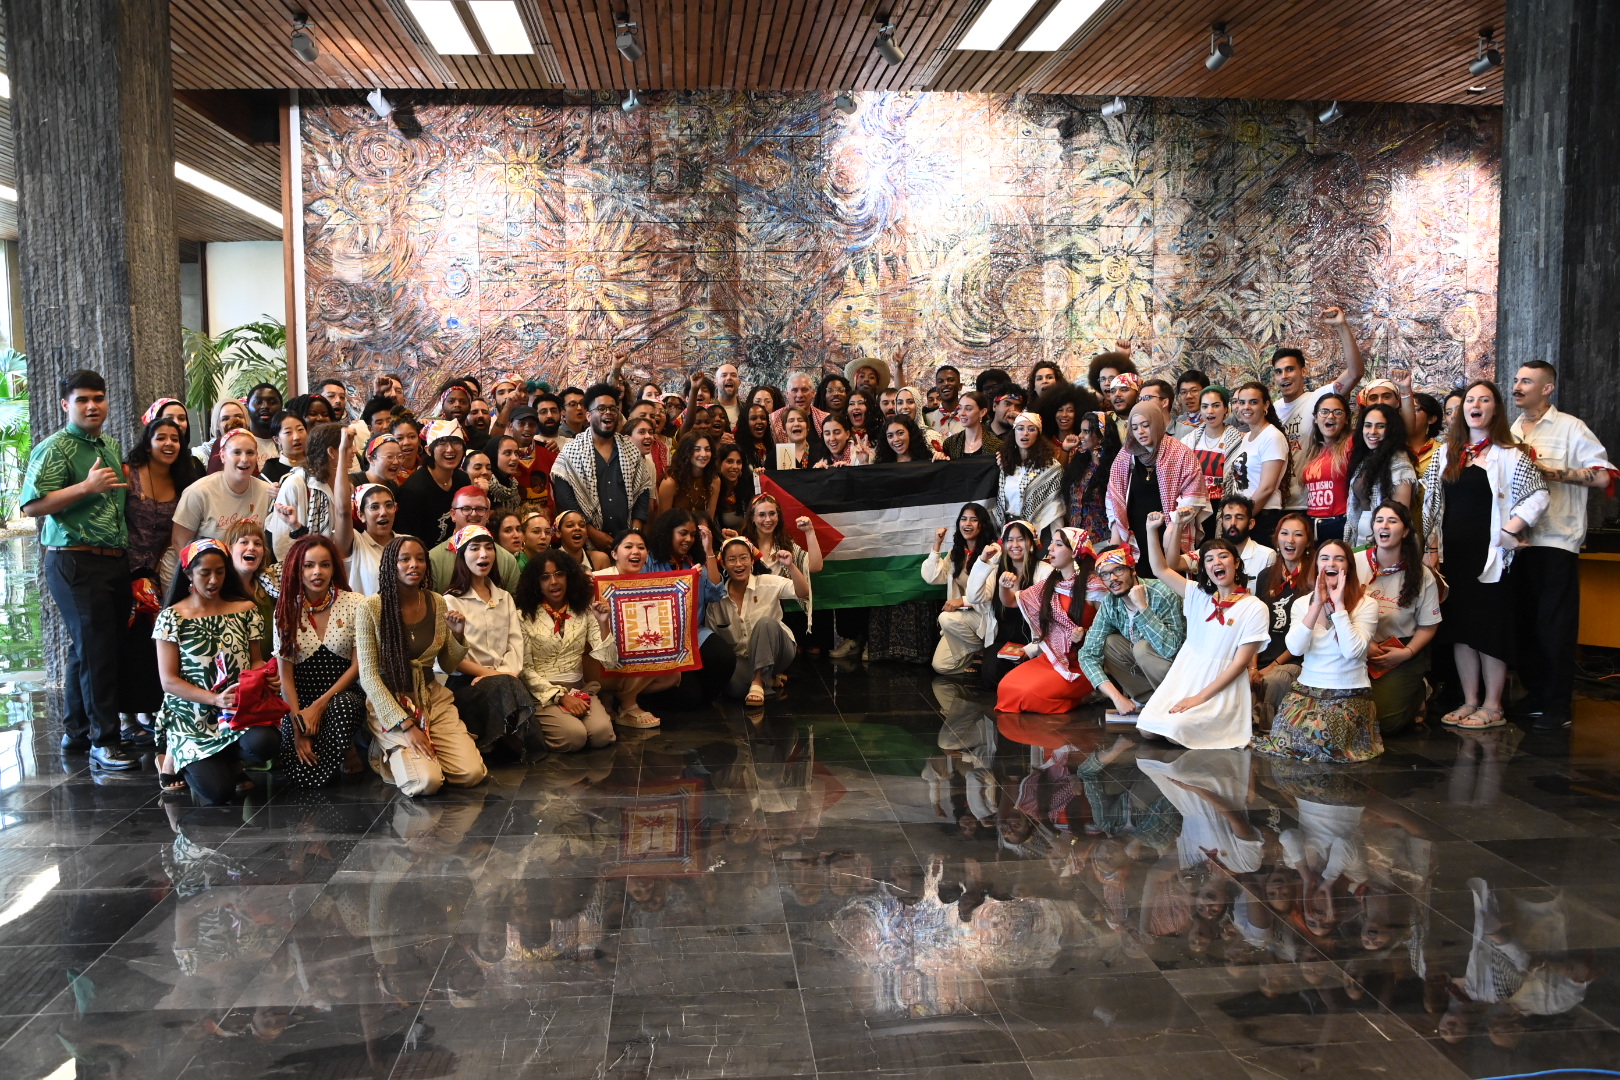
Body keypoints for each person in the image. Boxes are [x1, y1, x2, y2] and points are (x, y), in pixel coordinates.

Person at [21, 370, 138, 768]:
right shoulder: (53, 449)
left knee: (89, 648)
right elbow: (32, 506)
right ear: (64, 404)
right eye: (83, 399)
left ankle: (76, 730)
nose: (92, 406)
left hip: (112, 559)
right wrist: (85, 488)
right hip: (74, 558)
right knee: (96, 650)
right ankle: (104, 742)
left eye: (99, 398)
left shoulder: (108, 444)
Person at [1422, 381, 1547, 730]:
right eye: (1471, 400)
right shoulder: (1448, 452)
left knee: (1490, 630)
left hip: (1491, 556)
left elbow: (1538, 495)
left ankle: (1493, 705)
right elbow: (1431, 502)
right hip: (1455, 556)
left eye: (1485, 399)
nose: (1476, 405)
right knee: (1462, 629)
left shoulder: (1510, 454)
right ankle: (1470, 700)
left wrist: (1512, 529)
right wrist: (1431, 549)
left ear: (1496, 408)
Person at [1509, 360, 1615, 732]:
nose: (1518, 386)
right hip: (1518, 541)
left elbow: (1603, 476)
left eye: (1527, 381)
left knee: (1554, 624)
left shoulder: (1571, 428)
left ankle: (1558, 702)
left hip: (1556, 539)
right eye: (1517, 380)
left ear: (1547, 388)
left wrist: (1552, 474)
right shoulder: (1510, 430)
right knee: (1524, 623)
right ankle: (1536, 693)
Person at [355, 535, 489, 797]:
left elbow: (448, 665)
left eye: (419, 559)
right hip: (392, 702)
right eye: (404, 559)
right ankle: (386, 748)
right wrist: (406, 725)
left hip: (431, 697)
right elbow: (369, 677)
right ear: (391, 564)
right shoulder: (370, 608)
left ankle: (429, 753)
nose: (413, 565)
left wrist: (459, 635)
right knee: (427, 783)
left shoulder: (437, 602)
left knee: (471, 775)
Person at [152, 539, 277, 802]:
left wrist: (265, 675)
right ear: (188, 574)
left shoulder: (245, 609)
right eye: (205, 573)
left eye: (220, 571)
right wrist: (214, 699)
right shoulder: (172, 618)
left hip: (235, 711)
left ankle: (231, 760)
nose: (213, 580)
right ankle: (171, 753)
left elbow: (255, 660)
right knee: (219, 793)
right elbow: (169, 681)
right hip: (191, 717)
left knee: (266, 742)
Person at [1136, 512, 1269, 749]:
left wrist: (1199, 698)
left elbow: (1239, 665)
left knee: (1174, 730)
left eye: (1223, 556)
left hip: (1221, 686)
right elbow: (1160, 569)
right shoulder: (1199, 594)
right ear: (1204, 568)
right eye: (1208, 559)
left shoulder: (1254, 607)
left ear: (1236, 563)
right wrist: (1150, 529)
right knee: (1146, 727)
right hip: (1186, 676)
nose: (1216, 562)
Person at [1252, 538, 1381, 762]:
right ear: (1317, 565)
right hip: (1307, 690)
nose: (1331, 563)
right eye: (1325, 558)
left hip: (1348, 692)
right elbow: (1295, 647)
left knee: (1320, 738)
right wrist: (1317, 606)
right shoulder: (1303, 604)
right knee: (1287, 737)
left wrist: (1339, 606)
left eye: (1338, 559)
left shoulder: (1367, 604)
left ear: (1348, 566)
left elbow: (1353, 651)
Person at [122, 414, 200, 742]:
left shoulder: (184, 481)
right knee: (122, 643)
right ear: (148, 442)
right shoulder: (129, 473)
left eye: (175, 438)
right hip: (121, 568)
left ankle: (147, 707)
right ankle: (124, 714)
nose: (169, 443)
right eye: (161, 437)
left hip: (156, 572)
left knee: (150, 641)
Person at [273, 535, 366, 788]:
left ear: (334, 568)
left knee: (341, 707)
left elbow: (358, 667)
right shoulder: (285, 609)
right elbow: (286, 678)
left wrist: (319, 706)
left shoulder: (355, 603)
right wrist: (298, 725)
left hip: (343, 694)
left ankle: (346, 750)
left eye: (325, 564)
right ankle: (338, 751)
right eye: (308, 565)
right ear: (296, 569)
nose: (317, 572)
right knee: (303, 775)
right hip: (299, 699)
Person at [440, 525, 535, 756]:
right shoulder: (450, 602)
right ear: (462, 556)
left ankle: (501, 743)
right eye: (475, 548)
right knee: (506, 686)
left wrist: (504, 674)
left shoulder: (504, 598)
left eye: (489, 548)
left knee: (507, 685)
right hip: (467, 682)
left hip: (506, 677)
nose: (484, 554)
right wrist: (493, 675)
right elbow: (452, 659)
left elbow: (515, 645)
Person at [513, 549, 618, 752]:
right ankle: (532, 726)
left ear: (569, 577)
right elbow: (524, 669)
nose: (554, 581)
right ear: (536, 583)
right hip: (542, 694)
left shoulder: (584, 611)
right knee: (574, 738)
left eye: (559, 574)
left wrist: (604, 624)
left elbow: (609, 660)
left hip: (578, 690)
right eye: (545, 577)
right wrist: (561, 697)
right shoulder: (522, 617)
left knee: (601, 735)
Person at [1270, 308, 1368, 518]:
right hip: (1277, 504)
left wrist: (1341, 326)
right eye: (1278, 372)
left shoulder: (1318, 399)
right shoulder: (1272, 409)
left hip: (1312, 503)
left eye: (1290, 369)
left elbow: (1355, 372)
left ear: (1303, 371)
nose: (1284, 376)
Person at [994, 527, 1097, 714]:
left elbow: (1113, 626)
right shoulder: (1050, 583)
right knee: (1006, 688)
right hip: (1052, 658)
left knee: (1028, 695)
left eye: (1058, 544)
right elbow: (1010, 600)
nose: (1050, 549)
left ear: (1074, 551)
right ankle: (1078, 699)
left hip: (1084, 663)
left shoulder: (1094, 587)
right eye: (1051, 543)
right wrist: (1002, 586)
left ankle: (1085, 696)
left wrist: (1087, 634)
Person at [1362, 502, 1443, 735]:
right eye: (1379, 520)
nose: (1384, 526)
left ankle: (1418, 691)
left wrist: (1406, 653)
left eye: (1392, 521)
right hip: (1358, 646)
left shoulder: (1420, 574)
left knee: (1384, 725)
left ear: (1405, 531)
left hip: (1400, 650)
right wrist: (1365, 643)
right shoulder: (1355, 562)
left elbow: (1429, 626)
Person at [590, 530, 682, 727]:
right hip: (596, 658)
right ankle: (628, 704)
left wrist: (691, 577)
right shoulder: (596, 580)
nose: (636, 552)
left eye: (641, 548)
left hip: (628, 656)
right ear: (614, 554)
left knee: (672, 674)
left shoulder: (647, 583)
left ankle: (614, 698)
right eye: (629, 546)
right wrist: (581, 584)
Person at [1078, 544, 1186, 715]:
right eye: (1105, 574)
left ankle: (1175, 701)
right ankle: (1150, 701)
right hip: (1150, 680)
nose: (1112, 578)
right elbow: (1087, 654)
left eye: (1118, 570)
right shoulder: (1110, 603)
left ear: (1132, 570)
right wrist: (1116, 697)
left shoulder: (1162, 593)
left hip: (1180, 674)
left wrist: (1143, 609)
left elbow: (1171, 649)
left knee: (1142, 648)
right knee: (1109, 643)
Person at [644, 508, 736, 706]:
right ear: (668, 532)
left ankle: (703, 699)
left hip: (692, 632)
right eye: (683, 533)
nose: (688, 539)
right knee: (689, 698)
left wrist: (709, 550)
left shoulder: (693, 563)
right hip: (659, 638)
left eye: (693, 535)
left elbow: (715, 594)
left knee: (724, 658)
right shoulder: (650, 559)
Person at [1105, 401, 1209, 574]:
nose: (1141, 432)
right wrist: (1117, 531)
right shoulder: (1126, 454)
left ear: (1157, 423)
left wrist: (1173, 526)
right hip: (1136, 531)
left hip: (1170, 528)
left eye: (1146, 425)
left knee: (1169, 576)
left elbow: (1193, 495)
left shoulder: (1179, 452)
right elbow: (1113, 495)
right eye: (1135, 427)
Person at [552, 383, 655, 552]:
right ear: (588, 415)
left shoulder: (632, 451)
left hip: (627, 544)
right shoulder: (572, 451)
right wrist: (591, 532)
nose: (608, 412)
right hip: (587, 545)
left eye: (612, 408)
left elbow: (642, 493)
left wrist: (633, 534)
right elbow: (566, 499)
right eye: (601, 408)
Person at [711, 535, 809, 704]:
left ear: (752, 560)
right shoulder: (717, 600)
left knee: (765, 623)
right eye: (732, 559)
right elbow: (715, 641)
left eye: (744, 558)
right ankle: (768, 679)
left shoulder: (768, 582)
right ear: (724, 564)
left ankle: (758, 680)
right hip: (744, 658)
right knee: (735, 689)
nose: (739, 564)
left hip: (779, 651)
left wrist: (790, 566)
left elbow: (803, 592)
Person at [1249, 513, 1311, 729]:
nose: (1290, 540)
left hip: (1294, 660)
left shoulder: (1313, 577)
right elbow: (1257, 624)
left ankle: (1268, 733)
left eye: (1298, 534)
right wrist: (1253, 666)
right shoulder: (1266, 575)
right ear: (1276, 539)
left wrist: (1272, 666)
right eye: (1284, 533)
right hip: (1263, 655)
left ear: (1308, 541)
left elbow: (1306, 635)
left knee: (1274, 680)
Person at [171, 428, 275, 549]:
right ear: (222, 456)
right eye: (237, 452)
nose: (244, 459)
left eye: (250, 453)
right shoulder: (198, 492)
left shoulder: (267, 492)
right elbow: (180, 543)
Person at [922, 503, 994, 675]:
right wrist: (937, 545)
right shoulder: (957, 553)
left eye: (974, 520)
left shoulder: (992, 551)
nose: (967, 524)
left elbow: (989, 593)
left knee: (946, 618)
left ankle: (983, 650)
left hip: (984, 614)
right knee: (942, 666)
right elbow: (932, 577)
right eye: (964, 519)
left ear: (982, 524)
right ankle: (976, 653)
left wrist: (961, 601)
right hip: (963, 617)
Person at [268, 422, 348, 561]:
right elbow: (282, 543)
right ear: (331, 452)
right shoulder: (296, 484)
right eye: (347, 446)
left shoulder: (347, 484)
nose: (354, 450)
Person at [1344, 404, 1417, 550]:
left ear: (1391, 430)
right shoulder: (1364, 460)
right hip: (1358, 537)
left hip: (1386, 541)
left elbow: (1399, 517)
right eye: (1368, 425)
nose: (1372, 431)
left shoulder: (1400, 464)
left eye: (1380, 426)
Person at [1227, 382, 1289, 541]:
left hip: (1263, 517)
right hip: (1245, 516)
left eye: (1253, 402)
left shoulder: (1272, 437)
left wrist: (1244, 517)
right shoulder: (1246, 437)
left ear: (1266, 405)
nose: (1246, 407)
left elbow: (1267, 488)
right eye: (1242, 402)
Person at [428, 486, 520, 590]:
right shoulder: (433, 559)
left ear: (488, 515)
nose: (474, 514)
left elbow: (515, 603)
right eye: (466, 509)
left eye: (480, 509)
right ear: (453, 515)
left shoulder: (507, 560)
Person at [395, 419, 470, 545]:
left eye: (456, 443)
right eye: (442, 444)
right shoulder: (413, 490)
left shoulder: (463, 479)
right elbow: (407, 540)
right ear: (429, 450)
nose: (450, 449)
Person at [994, 411, 1064, 539]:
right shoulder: (1005, 463)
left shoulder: (1051, 467)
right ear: (1014, 432)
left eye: (1031, 429)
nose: (1025, 433)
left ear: (1038, 434)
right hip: (1009, 529)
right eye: (1020, 428)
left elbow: (1055, 508)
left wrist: (1056, 540)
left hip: (1039, 531)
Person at [1181, 386, 1242, 530]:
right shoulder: (1189, 440)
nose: (1210, 411)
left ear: (1226, 409)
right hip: (1195, 506)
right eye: (1205, 406)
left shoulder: (1237, 441)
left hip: (1224, 506)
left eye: (1216, 406)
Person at [1299, 393, 1353, 540]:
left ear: (1347, 419)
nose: (1330, 416)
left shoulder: (1351, 444)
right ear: (1316, 418)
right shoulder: (1313, 451)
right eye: (1324, 411)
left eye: (1338, 412)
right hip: (1312, 525)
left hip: (1339, 522)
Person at [1063, 410, 1116, 541]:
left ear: (1101, 436)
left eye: (1086, 431)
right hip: (1075, 541)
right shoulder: (1078, 462)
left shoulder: (1115, 468)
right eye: (1081, 431)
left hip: (1102, 543)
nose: (1080, 435)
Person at [339, 483, 397, 596]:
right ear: (361, 515)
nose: (383, 512)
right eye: (374, 507)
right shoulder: (355, 543)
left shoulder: (408, 542)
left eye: (389, 505)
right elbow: (343, 513)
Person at [1206, 495, 1277, 584]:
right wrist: (1182, 525)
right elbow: (1183, 563)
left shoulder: (1267, 556)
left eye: (1239, 518)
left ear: (1251, 523)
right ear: (1221, 523)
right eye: (1228, 518)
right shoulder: (1209, 554)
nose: (1233, 523)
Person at [658, 431, 720, 516]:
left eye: (707, 449)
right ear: (686, 452)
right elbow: (663, 522)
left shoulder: (714, 481)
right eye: (697, 449)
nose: (704, 454)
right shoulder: (670, 483)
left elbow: (710, 519)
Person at [195, 397, 251, 473]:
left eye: (239, 416)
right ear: (217, 425)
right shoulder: (204, 453)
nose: (233, 421)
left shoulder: (256, 445)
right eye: (225, 419)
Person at [770, 372, 828, 442]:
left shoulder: (825, 419)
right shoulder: (773, 420)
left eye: (804, 390)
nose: (800, 395)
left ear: (813, 393)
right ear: (787, 394)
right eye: (794, 390)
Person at [943, 391, 1000, 459]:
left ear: (982, 412)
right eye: (960, 408)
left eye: (968, 409)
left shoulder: (996, 445)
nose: (962, 413)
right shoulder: (950, 443)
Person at [713, 443, 756, 529]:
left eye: (739, 462)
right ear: (719, 463)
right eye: (730, 461)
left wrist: (761, 475)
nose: (735, 466)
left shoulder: (749, 486)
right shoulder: (713, 487)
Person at [261, 409, 307, 485]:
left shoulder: (319, 463)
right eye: (288, 432)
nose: (296, 437)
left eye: (300, 430)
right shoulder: (270, 473)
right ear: (277, 440)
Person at [874, 415, 943, 464]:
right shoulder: (882, 465)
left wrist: (941, 461)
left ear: (911, 434)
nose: (895, 439)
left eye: (900, 433)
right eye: (890, 436)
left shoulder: (928, 460)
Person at [243, 382, 284, 461]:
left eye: (272, 402)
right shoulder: (237, 443)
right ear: (247, 407)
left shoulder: (289, 442)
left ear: (281, 407)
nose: (265, 406)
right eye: (258, 402)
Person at [771, 406, 819, 470]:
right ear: (784, 429)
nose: (796, 424)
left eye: (800, 420)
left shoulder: (820, 452)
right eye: (791, 421)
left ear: (808, 427)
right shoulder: (775, 455)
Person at [735, 401, 776, 471]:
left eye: (763, 418)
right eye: (753, 418)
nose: (759, 421)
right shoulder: (737, 450)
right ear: (745, 423)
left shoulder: (771, 448)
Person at [1173, 370, 1210, 440]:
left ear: (1206, 391)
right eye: (1183, 392)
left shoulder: (1217, 418)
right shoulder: (1180, 420)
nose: (1188, 396)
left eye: (1194, 390)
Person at [715, 362, 743, 426]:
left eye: (733, 375)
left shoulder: (747, 410)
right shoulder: (708, 410)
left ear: (739, 382)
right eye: (724, 375)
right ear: (715, 382)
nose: (729, 378)